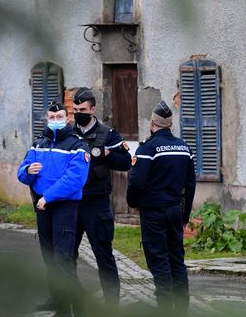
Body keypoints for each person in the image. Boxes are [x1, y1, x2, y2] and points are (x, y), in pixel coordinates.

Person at [17, 100, 91, 316]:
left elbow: (75, 179)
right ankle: (61, 309)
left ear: (67, 118)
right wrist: (28, 170)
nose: (56, 121)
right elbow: (21, 172)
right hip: (43, 208)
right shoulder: (39, 143)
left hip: (64, 208)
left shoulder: (77, 144)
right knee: (50, 260)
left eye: (59, 117)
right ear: (47, 118)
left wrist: (48, 197)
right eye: (52, 117)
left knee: (63, 261)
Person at [126, 100, 197, 313]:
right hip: (175, 210)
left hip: (154, 213)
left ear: (152, 123)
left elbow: (136, 182)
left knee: (159, 260)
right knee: (177, 259)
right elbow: (190, 185)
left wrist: (133, 202)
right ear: (171, 123)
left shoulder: (148, 148)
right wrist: (185, 215)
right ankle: (182, 309)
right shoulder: (184, 148)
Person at [70, 87, 131, 307]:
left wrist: (105, 154)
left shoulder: (108, 133)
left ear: (93, 109)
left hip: (96, 204)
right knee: (66, 258)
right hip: (71, 204)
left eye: (83, 109)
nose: (79, 113)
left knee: (104, 257)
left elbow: (126, 162)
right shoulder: (68, 132)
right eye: (75, 109)